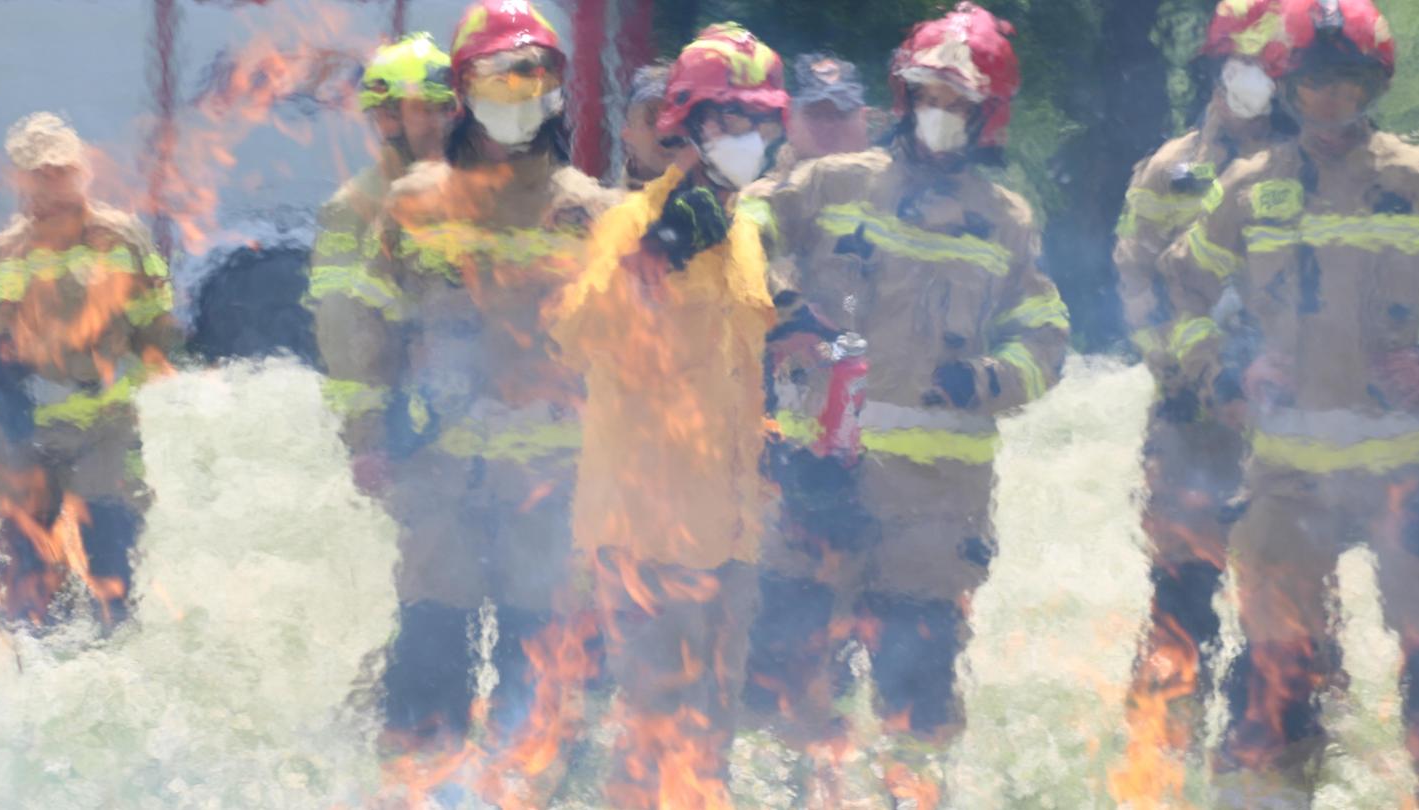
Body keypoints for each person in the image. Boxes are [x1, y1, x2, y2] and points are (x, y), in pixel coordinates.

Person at [1163, 0, 1419, 803]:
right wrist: (1225, 373)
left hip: (1408, 472)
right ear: (1286, 85)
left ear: (1375, 84)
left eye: (1348, 83)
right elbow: (1179, 291)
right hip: (1287, 480)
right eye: (1314, 83)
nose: (1331, 101)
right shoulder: (1246, 186)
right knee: (1273, 673)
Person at [739, 4, 1068, 802]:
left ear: (988, 114)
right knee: (788, 686)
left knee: (914, 704)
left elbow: (1047, 334)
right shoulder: (832, 182)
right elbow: (745, 224)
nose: (940, 115)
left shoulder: (1008, 222)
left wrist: (988, 380)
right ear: (903, 93)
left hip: (934, 516)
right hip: (817, 486)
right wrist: (783, 304)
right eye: (928, 95)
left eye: (959, 103)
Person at [357, 0, 617, 773]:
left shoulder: (595, 213)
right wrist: (370, 438)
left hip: (551, 484)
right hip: (439, 478)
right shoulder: (414, 205)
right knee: (432, 641)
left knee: (537, 653)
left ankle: (529, 780)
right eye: (500, 78)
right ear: (465, 90)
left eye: (534, 76)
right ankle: (415, 779)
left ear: (558, 90)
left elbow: (626, 356)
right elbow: (373, 333)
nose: (519, 94)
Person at [548, 21, 783, 807]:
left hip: (728, 530)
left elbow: (727, 370)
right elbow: (578, 337)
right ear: (686, 122)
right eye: (728, 121)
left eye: (758, 122)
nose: (746, 138)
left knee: (710, 734)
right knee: (652, 733)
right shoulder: (634, 221)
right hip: (647, 533)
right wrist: (652, 262)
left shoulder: (744, 229)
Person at [1112, 0, 1292, 772]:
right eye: (1239, 62)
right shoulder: (1169, 169)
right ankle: (1161, 749)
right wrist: (1193, 375)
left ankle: (1266, 757)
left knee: (1284, 603)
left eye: (1267, 65)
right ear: (1216, 68)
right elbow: (1138, 286)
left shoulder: (1310, 167)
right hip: (1191, 426)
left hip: (1286, 428)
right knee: (1182, 598)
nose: (1251, 79)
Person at [0, 112, 180, 632]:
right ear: (20, 180)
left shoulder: (121, 239)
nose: (54, 184)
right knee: (28, 576)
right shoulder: (6, 252)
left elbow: (158, 324)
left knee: (110, 561)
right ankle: (39, 661)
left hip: (104, 435)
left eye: (63, 171)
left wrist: (125, 371)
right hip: (26, 439)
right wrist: (0, 391)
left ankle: (110, 662)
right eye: (39, 173)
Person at [310, 32, 459, 500]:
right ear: (386, 117)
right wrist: (369, 438)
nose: (441, 122)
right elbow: (344, 335)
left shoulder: (471, 192)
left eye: (445, 107)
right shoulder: (353, 209)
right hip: (407, 421)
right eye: (425, 109)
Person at [618, 61, 678, 190]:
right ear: (627, 133)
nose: (666, 133)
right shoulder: (599, 205)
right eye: (651, 120)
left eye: (675, 119)